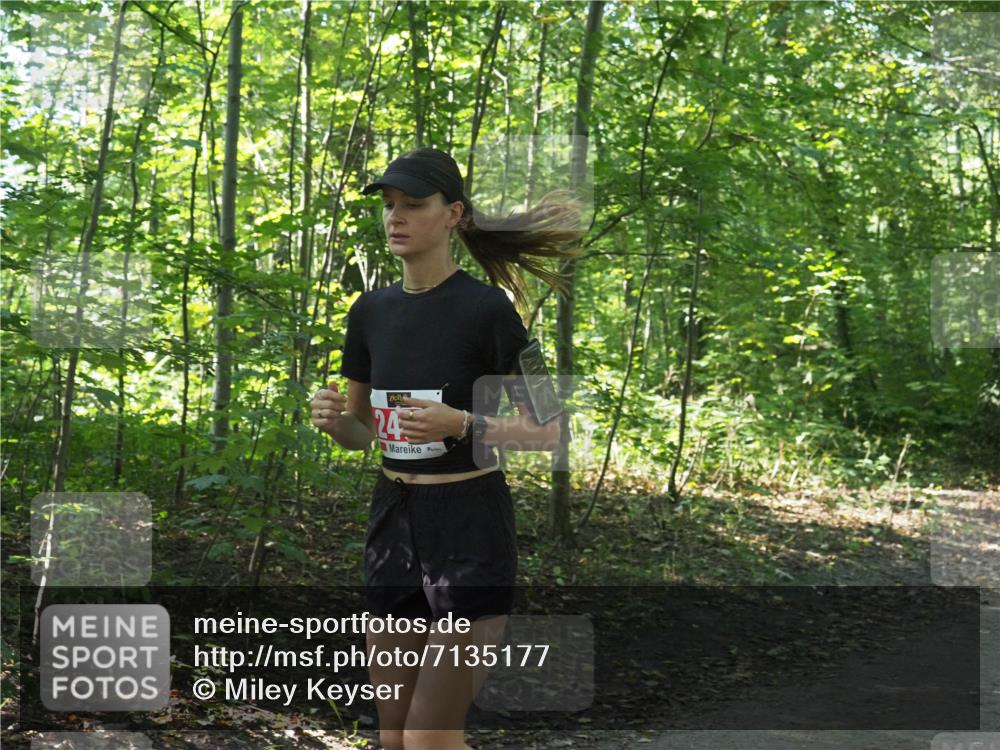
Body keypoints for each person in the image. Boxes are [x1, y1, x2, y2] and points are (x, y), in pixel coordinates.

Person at [309, 147, 582, 750]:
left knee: (430, 736)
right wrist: (336, 424)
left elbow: (552, 429)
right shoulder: (370, 311)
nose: (395, 218)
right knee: (392, 736)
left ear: (453, 214)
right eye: (388, 206)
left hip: (469, 529)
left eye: (413, 205)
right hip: (393, 523)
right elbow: (365, 433)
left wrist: (462, 423)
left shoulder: (489, 311)